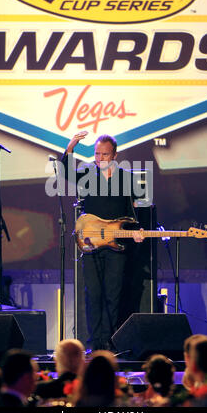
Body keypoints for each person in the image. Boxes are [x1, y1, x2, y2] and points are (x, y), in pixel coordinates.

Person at [61, 132, 143, 351]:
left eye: (105, 154)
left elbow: (131, 212)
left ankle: (109, 341)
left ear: (114, 155)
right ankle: (95, 342)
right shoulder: (88, 174)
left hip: (116, 245)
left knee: (113, 294)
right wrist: (71, 147)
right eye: (97, 154)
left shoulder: (127, 177)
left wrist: (136, 231)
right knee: (93, 293)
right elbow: (66, 173)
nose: (100, 158)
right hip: (90, 243)